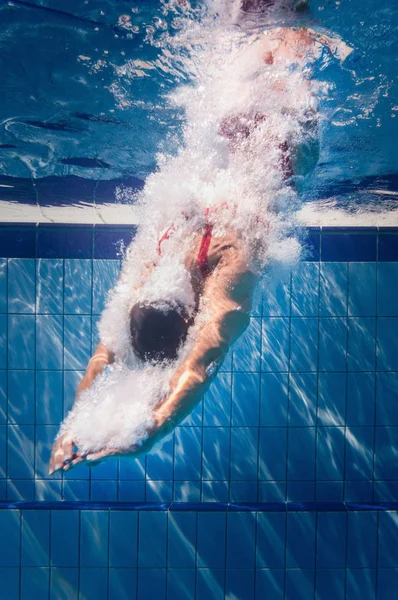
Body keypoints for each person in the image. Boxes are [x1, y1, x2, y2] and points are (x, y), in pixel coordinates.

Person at [49, 5, 351, 475]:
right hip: (242, 127)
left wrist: (149, 429)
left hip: (282, 145)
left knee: (287, 46)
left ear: (194, 314)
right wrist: (76, 423)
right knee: (253, 40)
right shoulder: (157, 251)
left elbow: (201, 360)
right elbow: (104, 355)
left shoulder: (233, 260)